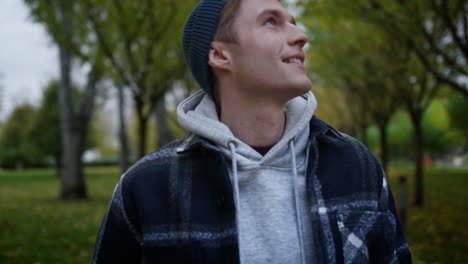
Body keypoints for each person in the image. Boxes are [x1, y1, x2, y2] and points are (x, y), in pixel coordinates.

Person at [91, 0, 412, 263]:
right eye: (271, 22)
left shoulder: (356, 164)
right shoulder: (147, 186)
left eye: (294, 21)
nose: (300, 35)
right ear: (220, 55)